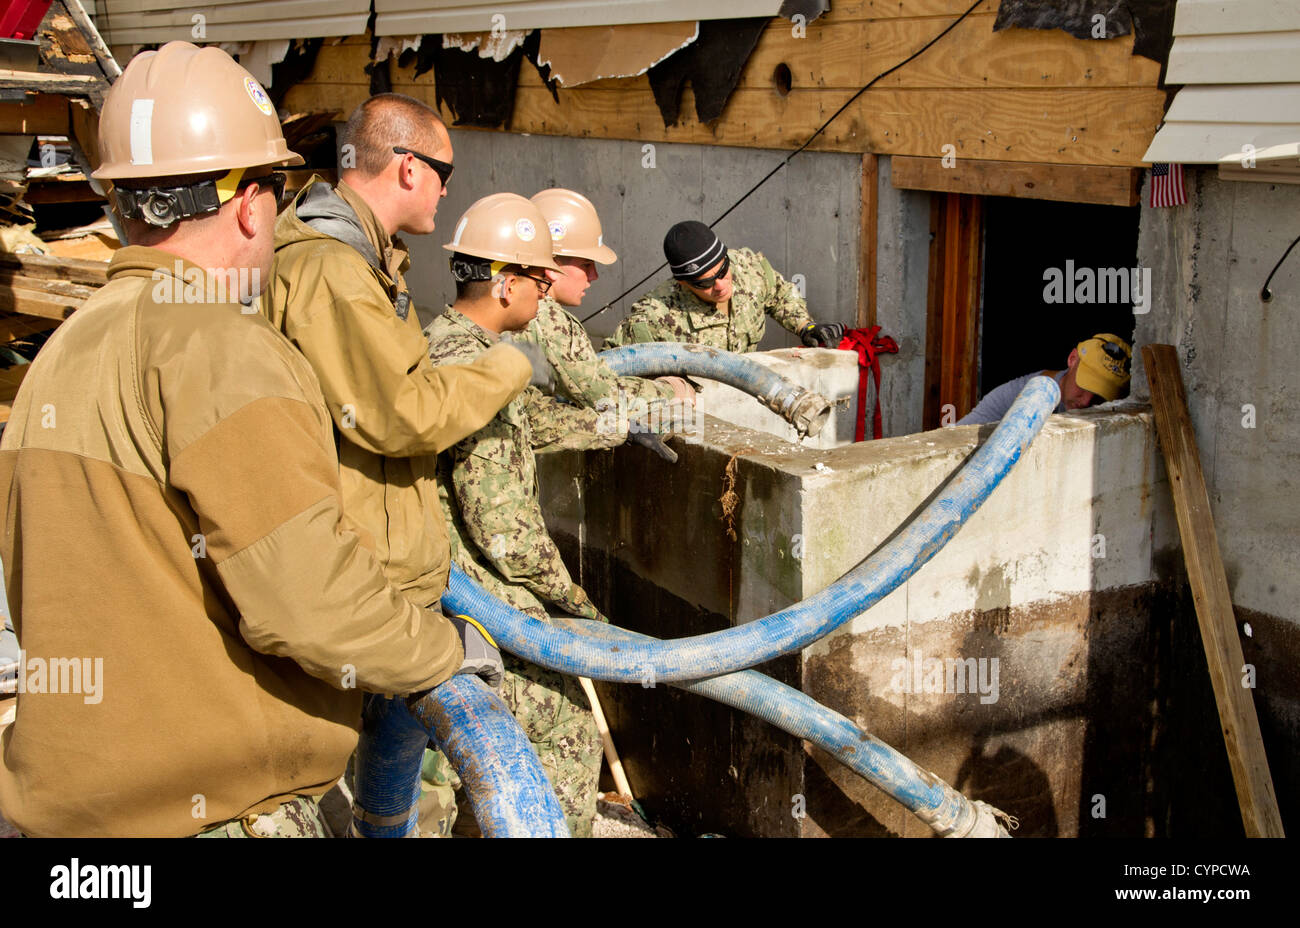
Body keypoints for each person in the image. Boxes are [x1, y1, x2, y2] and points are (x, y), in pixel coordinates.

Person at [0, 43, 492, 838]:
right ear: (253, 204)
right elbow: (308, 600)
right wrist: (441, 649)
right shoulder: (221, 345)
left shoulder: (64, 350)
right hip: (209, 817)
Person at [259, 95, 552, 835]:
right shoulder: (331, 270)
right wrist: (507, 367)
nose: (449, 191)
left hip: (378, 574)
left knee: (385, 782)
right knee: (322, 775)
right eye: (444, 172)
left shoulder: (361, 257)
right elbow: (398, 413)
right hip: (354, 579)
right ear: (409, 166)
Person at [426, 193, 636, 837]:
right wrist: (571, 602)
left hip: (438, 584)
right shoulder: (480, 364)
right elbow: (502, 527)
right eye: (539, 281)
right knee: (564, 727)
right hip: (478, 597)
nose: (546, 296)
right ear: (504, 281)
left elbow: (526, 423)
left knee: (481, 756)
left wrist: (612, 425)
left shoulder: (443, 340)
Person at [523, 188, 694, 445]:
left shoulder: (506, 303)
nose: (594, 276)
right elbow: (605, 399)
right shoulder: (549, 320)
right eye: (585, 265)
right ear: (552, 266)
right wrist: (670, 391)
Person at [604, 220, 845, 353]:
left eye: (722, 271)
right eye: (705, 283)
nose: (720, 285)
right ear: (684, 284)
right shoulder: (654, 317)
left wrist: (805, 326)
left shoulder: (749, 268)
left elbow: (779, 295)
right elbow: (611, 364)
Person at [957, 333, 1132, 426]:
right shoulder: (1017, 395)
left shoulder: (1117, 410)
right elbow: (957, 439)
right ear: (1072, 359)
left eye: (1100, 396)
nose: (1086, 401)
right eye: (1084, 385)